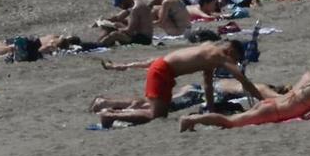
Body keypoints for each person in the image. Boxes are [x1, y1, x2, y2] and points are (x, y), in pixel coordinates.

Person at [92, 41, 262, 125]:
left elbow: (208, 85)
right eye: (235, 59)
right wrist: (264, 100)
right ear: (230, 51)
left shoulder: (209, 51)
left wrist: (211, 112)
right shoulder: (219, 55)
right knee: (155, 115)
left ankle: (109, 108)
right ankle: (110, 115)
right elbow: (242, 79)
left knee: (160, 112)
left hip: (164, 72)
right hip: (161, 72)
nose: (234, 63)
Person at [178, 57, 310, 130]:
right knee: (229, 122)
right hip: (273, 112)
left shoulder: (308, 77)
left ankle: (193, 121)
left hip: (269, 103)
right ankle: (191, 119)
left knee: (232, 120)